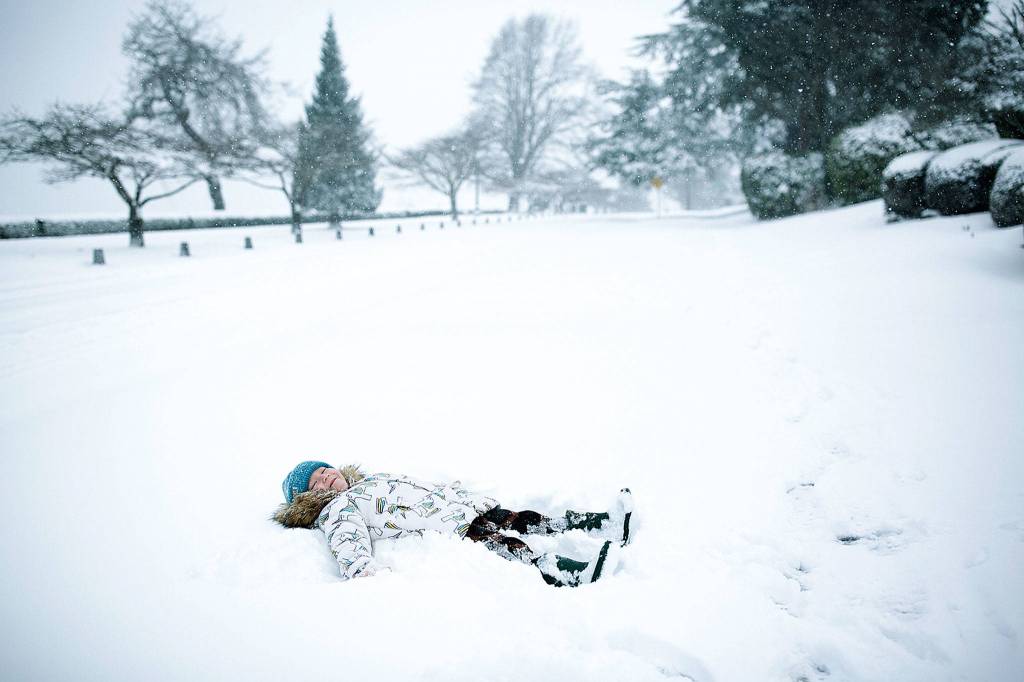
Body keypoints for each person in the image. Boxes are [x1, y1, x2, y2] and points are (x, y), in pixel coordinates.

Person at [274, 460, 633, 587]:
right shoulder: (338, 512)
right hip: (454, 529)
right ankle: (563, 571)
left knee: (528, 521)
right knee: (508, 546)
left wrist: (457, 495)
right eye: (315, 484)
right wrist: (361, 568)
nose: (325, 479)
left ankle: (597, 525)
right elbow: (348, 540)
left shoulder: (369, 479)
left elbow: (418, 489)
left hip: (464, 508)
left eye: (324, 471)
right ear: (309, 499)